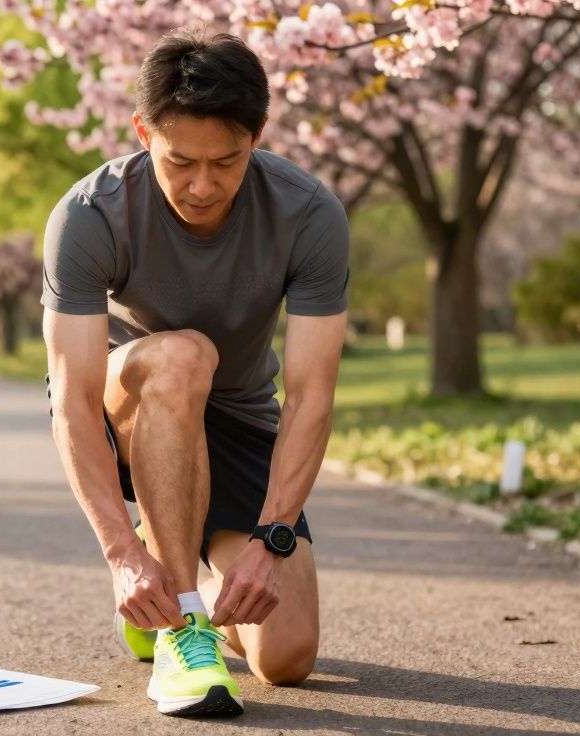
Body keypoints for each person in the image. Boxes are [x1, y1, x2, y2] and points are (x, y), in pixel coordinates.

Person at [41, 28, 350, 717]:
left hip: (238, 419)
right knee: (185, 355)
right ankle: (180, 626)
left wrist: (272, 542)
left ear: (259, 134)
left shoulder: (309, 215)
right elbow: (73, 399)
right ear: (143, 132)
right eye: (181, 161)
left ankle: (174, 596)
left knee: (288, 658)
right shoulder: (89, 216)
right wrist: (122, 555)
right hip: (125, 407)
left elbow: (308, 398)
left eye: (228, 161)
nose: (203, 185)